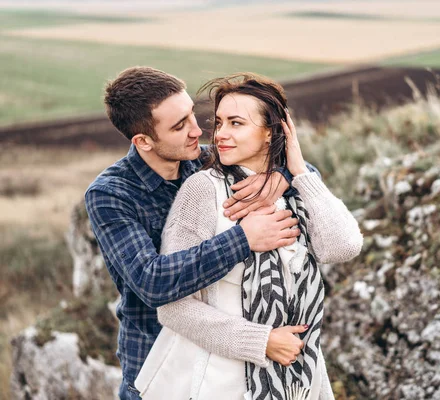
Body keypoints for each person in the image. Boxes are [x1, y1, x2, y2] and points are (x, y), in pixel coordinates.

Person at [85, 67, 317, 400]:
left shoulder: (207, 159)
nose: (198, 130)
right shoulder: (111, 194)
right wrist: (243, 240)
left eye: (191, 114)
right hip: (157, 365)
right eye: (179, 126)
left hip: (228, 357)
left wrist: (279, 175)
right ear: (143, 141)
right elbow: (152, 281)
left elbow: (304, 172)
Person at [134, 73, 363, 400]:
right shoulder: (203, 191)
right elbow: (172, 306)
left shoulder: (297, 190)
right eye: (220, 123)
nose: (221, 134)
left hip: (297, 378)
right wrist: (261, 340)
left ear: (271, 132)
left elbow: (344, 246)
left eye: (236, 123)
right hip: (217, 381)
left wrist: (297, 171)